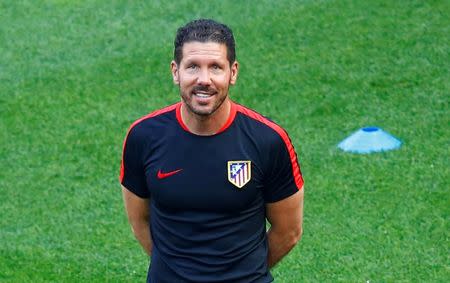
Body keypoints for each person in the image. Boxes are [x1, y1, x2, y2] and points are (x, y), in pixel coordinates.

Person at [120, 18, 304, 283]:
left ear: (233, 72)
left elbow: (289, 231)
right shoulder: (143, 136)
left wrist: (241, 274)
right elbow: (139, 222)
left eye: (215, 67)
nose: (203, 80)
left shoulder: (268, 140)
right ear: (175, 72)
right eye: (193, 66)